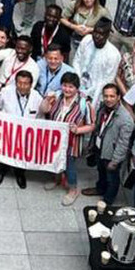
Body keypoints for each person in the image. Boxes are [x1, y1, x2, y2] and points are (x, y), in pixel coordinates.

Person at [41, 72, 95, 205]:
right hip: (55, 139)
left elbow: (92, 125)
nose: (67, 89)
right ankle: (56, 179)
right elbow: (44, 110)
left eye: (71, 87)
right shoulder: (57, 96)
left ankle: (73, 189)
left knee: (70, 165)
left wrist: (78, 130)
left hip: (72, 142)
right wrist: (47, 99)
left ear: (77, 88)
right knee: (54, 159)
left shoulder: (84, 103)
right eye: (65, 85)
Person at [81, 83, 134, 204]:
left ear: (118, 97)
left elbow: (123, 144)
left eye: (112, 96)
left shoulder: (125, 119)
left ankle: (108, 200)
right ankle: (100, 188)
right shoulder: (102, 108)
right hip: (101, 148)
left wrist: (115, 161)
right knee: (101, 171)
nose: (108, 99)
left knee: (112, 178)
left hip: (112, 154)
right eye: (106, 96)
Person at [0, 70, 42, 188]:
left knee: (22, 155)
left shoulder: (37, 97)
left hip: (24, 135)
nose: (22, 86)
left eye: (26, 83)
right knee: (1, 153)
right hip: (6, 131)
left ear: (31, 84)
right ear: (15, 83)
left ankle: (20, 174)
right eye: (19, 83)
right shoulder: (6, 92)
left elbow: (39, 117)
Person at [71, 18, 122, 104]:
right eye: (95, 32)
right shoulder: (86, 40)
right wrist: (78, 80)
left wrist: (89, 91)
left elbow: (107, 79)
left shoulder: (113, 54)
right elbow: (77, 61)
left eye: (101, 34)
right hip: (78, 83)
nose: (97, 36)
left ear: (107, 35)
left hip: (96, 93)